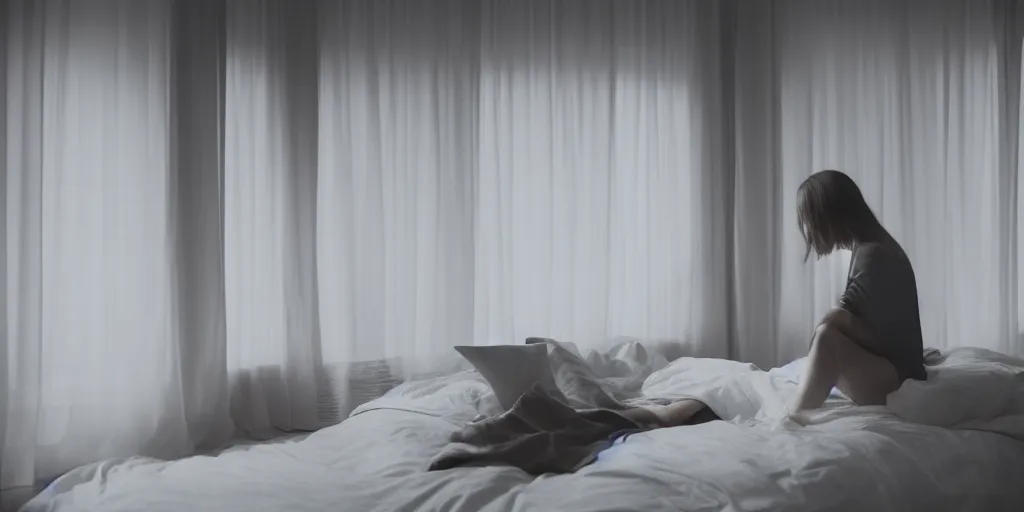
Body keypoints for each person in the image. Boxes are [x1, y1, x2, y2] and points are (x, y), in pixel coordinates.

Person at [789, 169, 927, 413]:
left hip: (900, 378)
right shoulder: (871, 247)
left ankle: (793, 417)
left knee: (826, 338)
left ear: (829, 215)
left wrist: (835, 320)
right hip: (899, 371)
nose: (807, 231)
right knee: (829, 332)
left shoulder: (872, 254)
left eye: (809, 220)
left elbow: (883, 341)